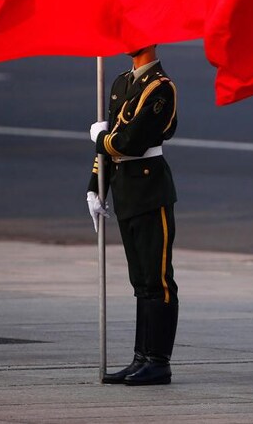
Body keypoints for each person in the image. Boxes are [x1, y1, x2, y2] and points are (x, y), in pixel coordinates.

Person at [87, 45, 179, 386]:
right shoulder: (121, 82)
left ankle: (158, 361)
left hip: (150, 190)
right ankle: (141, 357)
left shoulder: (160, 86)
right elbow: (113, 144)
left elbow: (131, 141)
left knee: (158, 279)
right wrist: (96, 185)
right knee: (140, 281)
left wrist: (101, 139)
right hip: (126, 190)